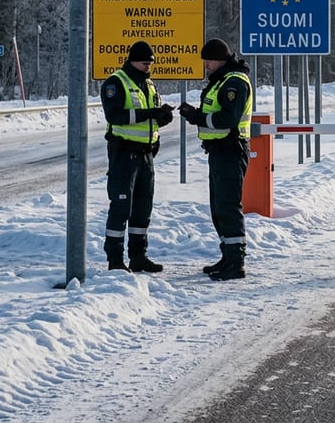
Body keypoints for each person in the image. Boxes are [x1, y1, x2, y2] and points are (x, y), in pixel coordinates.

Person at [179, 38, 253, 281]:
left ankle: (236, 262)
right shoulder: (222, 81)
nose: (206, 66)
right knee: (218, 207)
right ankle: (227, 256)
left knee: (228, 207)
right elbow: (214, 113)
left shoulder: (234, 83)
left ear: (219, 59)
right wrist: (195, 114)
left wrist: (198, 119)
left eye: (208, 61)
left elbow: (227, 119)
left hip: (231, 150)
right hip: (219, 151)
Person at [100, 40, 174, 271]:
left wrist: (161, 118)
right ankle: (114, 259)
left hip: (145, 154)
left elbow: (149, 117)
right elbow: (115, 116)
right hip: (124, 154)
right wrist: (149, 114)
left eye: (150, 63)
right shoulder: (116, 83)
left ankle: (138, 256)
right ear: (133, 60)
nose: (148, 67)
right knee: (121, 207)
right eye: (144, 63)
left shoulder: (148, 85)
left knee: (143, 208)